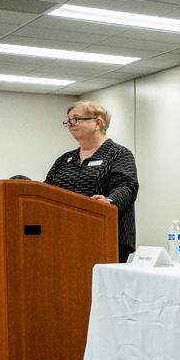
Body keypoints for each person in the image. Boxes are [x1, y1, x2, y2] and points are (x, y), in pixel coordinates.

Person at [44, 100, 140, 260]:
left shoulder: (119, 154)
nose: (70, 124)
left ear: (97, 122)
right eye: (68, 120)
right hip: (64, 238)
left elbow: (127, 186)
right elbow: (46, 190)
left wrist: (109, 202)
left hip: (106, 237)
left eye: (76, 119)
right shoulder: (65, 159)